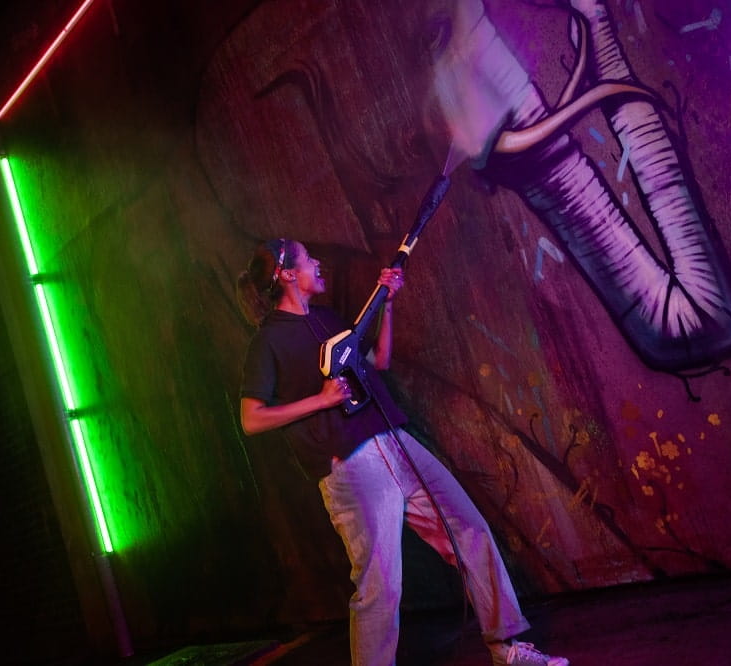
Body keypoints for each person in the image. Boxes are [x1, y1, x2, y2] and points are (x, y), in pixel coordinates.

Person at [235, 238, 569, 666]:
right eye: (307, 259)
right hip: (352, 467)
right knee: (381, 584)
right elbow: (252, 419)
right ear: (286, 275)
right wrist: (320, 400)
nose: (317, 263)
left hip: (396, 442)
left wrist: (387, 305)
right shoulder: (268, 342)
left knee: (470, 532)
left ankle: (507, 650)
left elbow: (379, 361)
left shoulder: (327, 318)